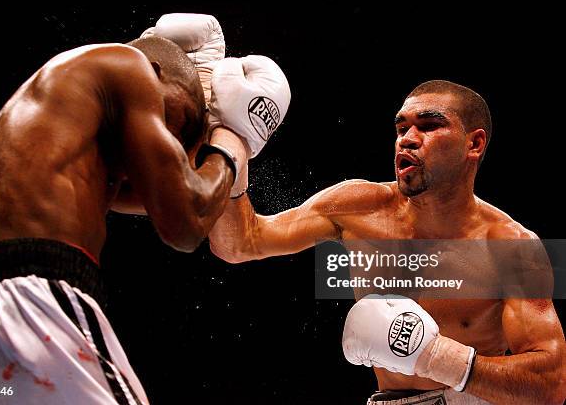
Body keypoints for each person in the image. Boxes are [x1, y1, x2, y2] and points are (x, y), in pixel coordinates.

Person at [0, 12, 291, 404]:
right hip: (32, 303)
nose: (171, 144)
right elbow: (186, 223)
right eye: (177, 123)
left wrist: (210, 143)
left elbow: (183, 200)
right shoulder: (127, 68)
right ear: (155, 72)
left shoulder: (61, 130)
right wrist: (236, 139)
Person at [209, 80, 566, 404]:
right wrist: (231, 149)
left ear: (474, 143)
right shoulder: (357, 205)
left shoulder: (513, 247)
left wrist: (436, 358)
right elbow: (241, 242)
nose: (408, 138)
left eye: (429, 125)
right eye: (401, 127)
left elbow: (550, 385)